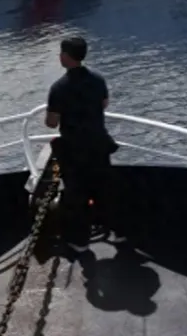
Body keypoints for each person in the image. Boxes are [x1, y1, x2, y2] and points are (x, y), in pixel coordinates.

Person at [44, 36, 121, 251]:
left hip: (75, 150)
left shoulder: (59, 88)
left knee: (76, 194)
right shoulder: (98, 79)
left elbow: (52, 123)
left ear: (66, 57)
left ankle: (80, 241)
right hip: (99, 144)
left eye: (61, 53)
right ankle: (120, 232)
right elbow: (104, 103)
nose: (59, 56)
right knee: (106, 189)